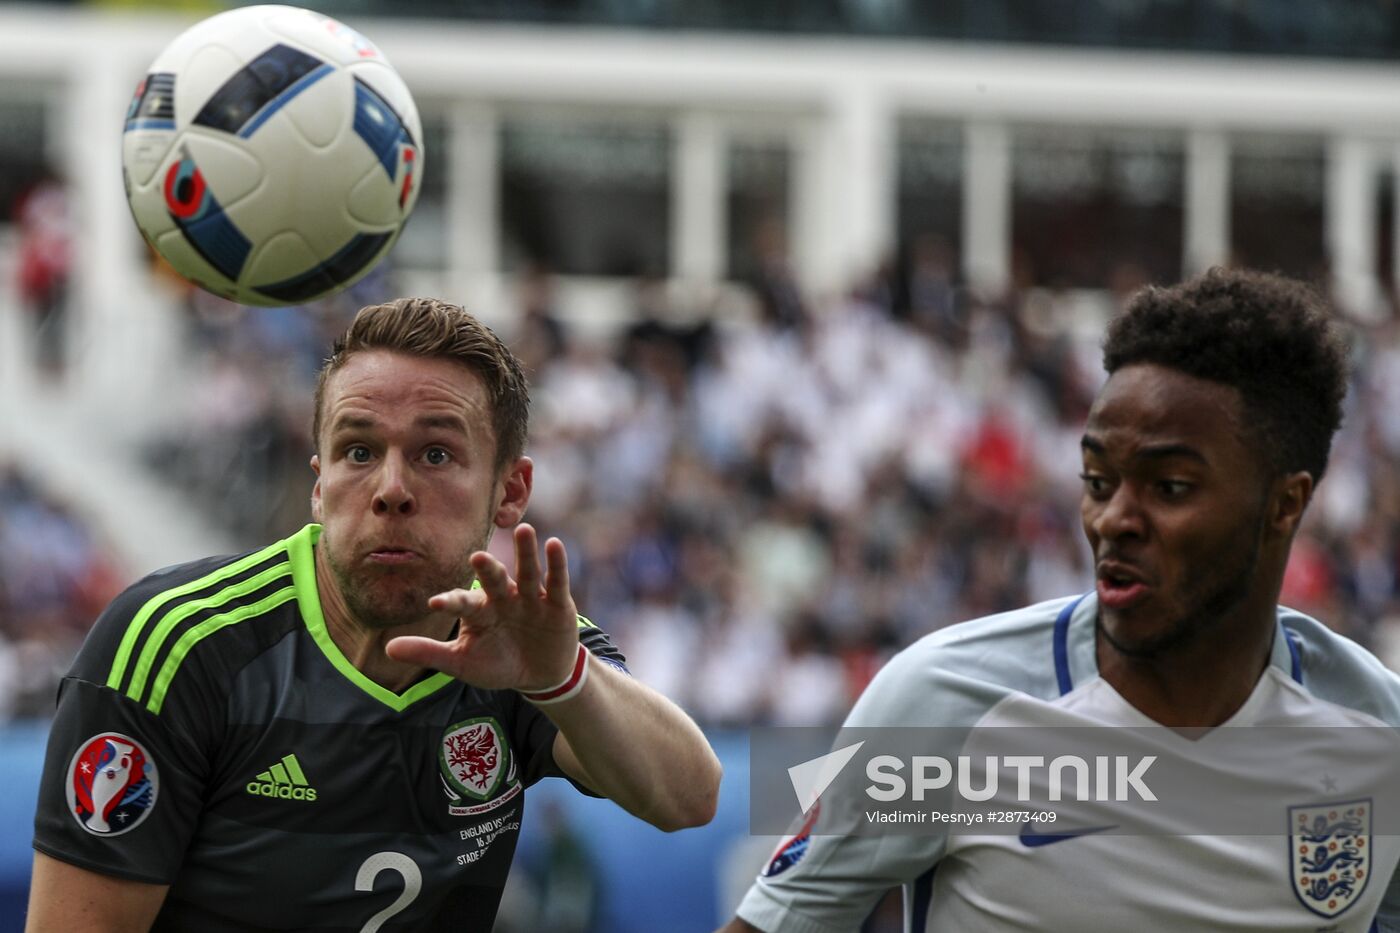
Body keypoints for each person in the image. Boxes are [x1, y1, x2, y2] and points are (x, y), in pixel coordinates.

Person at [720, 267, 1400, 931]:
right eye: (1099, 480)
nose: (1112, 520)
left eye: (1169, 487)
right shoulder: (943, 700)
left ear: (1286, 505)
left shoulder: (1377, 732)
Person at [27, 297, 722, 932]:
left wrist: (560, 678)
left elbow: (690, 795)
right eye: (359, 450)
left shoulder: (522, 643)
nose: (391, 489)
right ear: (320, 484)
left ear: (510, 491)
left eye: (435, 453)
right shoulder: (174, 644)